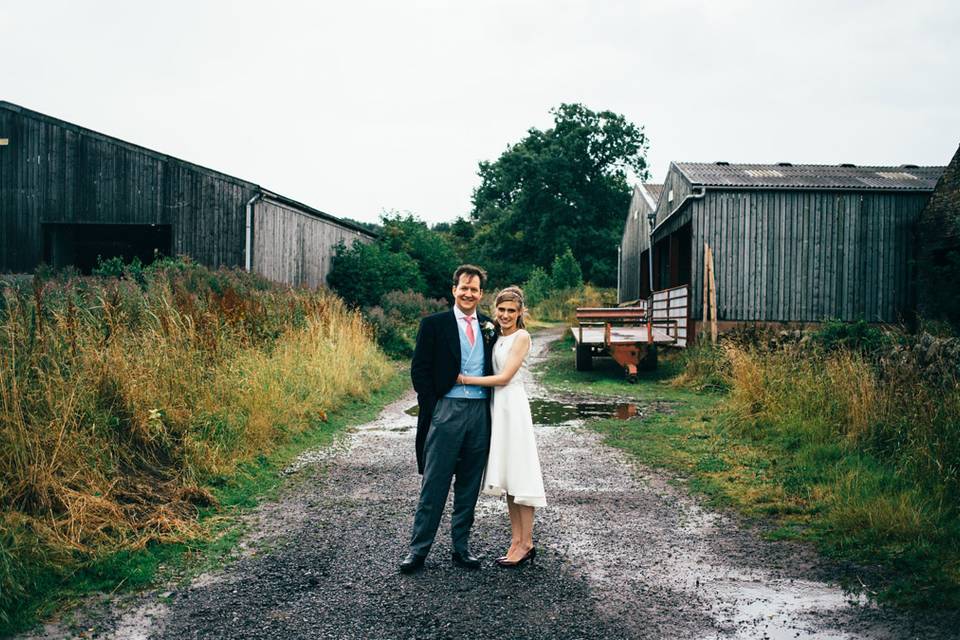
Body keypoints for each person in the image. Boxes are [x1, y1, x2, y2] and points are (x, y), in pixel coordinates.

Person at [400, 265, 497, 574]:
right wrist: (434, 406)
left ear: (481, 294)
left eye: (474, 289)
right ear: (454, 289)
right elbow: (420, 370)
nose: (469, 293)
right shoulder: (434, 324)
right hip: (447, 410)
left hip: (480, 413)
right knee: (435, 483)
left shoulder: (488, 326)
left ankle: (461, 547)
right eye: (463, 287)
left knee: (469, 484)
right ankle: (418, 550)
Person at [457, 286, 546, 568]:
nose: (506, 315)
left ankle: (528, 542)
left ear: (520, 313)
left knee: (521, 474)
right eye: (502, 310)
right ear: (495, 310)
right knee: (508, 479)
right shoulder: (496, 336)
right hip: (498, 409)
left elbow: (505, 377)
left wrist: (465, 380)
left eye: (511, 311)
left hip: (513, 407)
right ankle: (516, 541)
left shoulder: (522, 337)